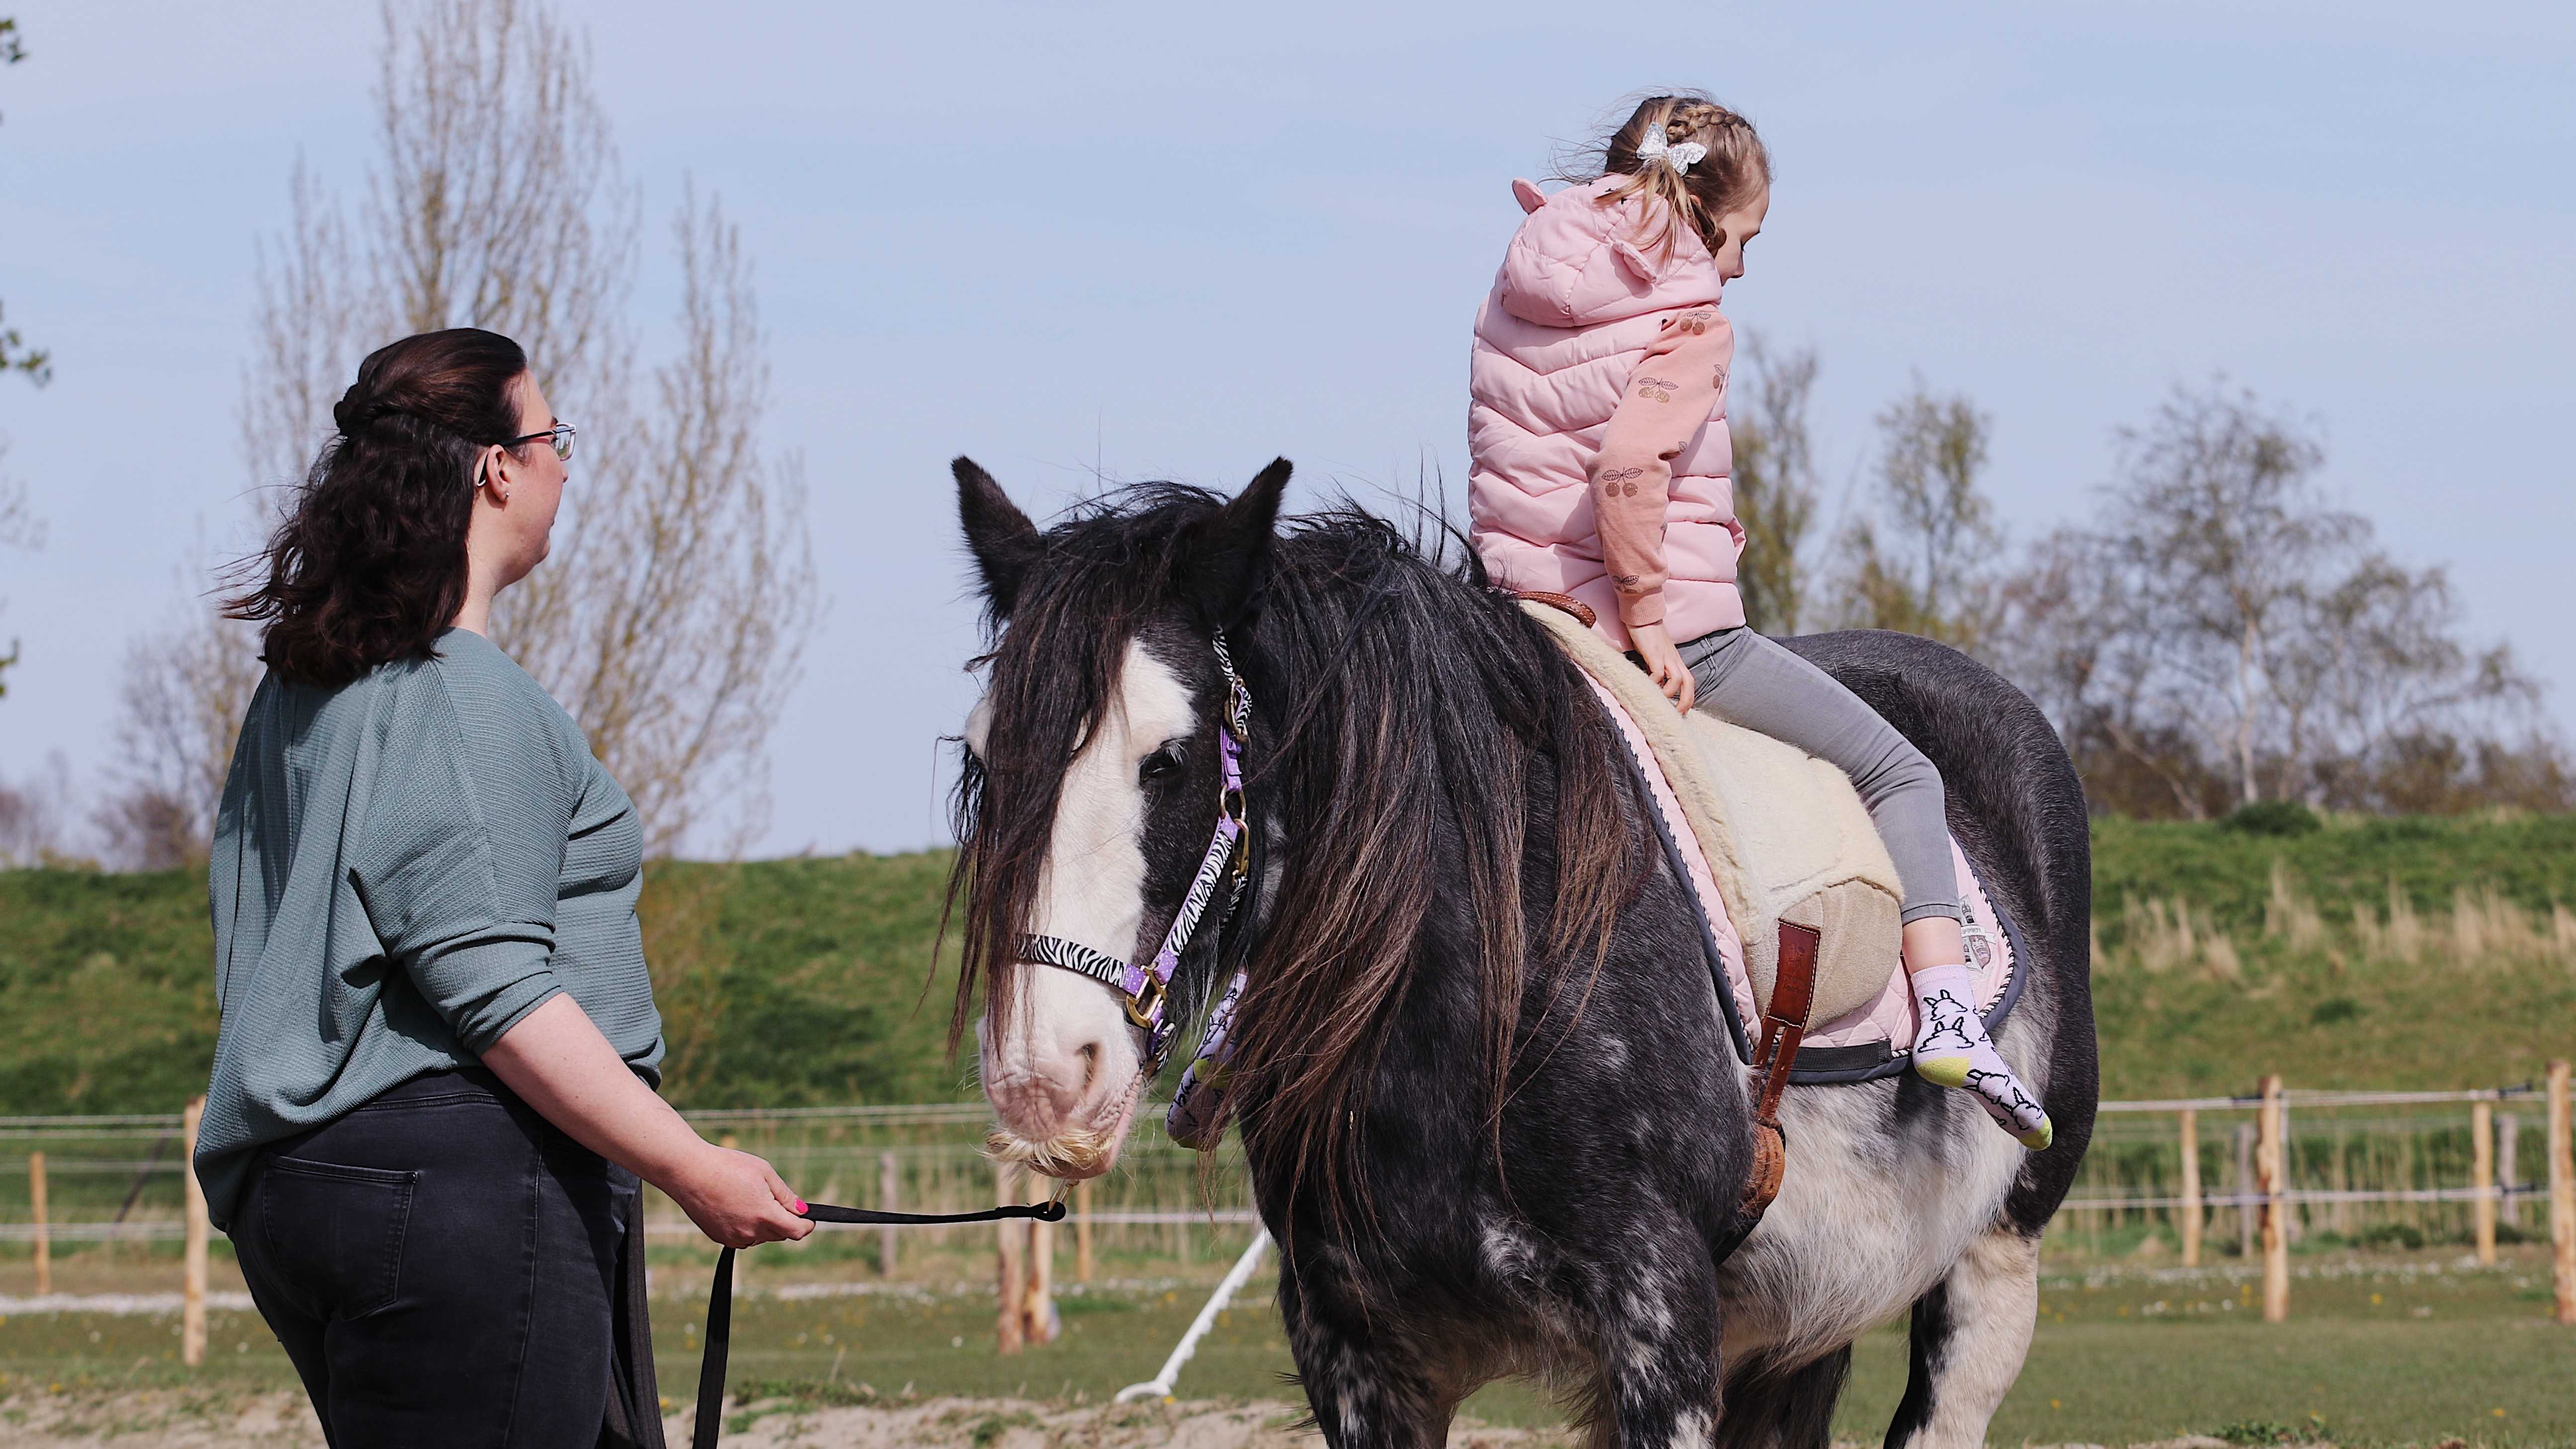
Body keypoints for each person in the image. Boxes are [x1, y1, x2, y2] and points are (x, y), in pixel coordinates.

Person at [198, 327, 813, 1445]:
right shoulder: (459, 691)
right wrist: (691, 1163)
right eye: (552, 438)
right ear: (495, 466)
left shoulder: (303, 693)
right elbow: (491, 983)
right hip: (464, 1182)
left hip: (309, 1188)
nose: (566, 466)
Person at [1468, 94, 2050, 1149]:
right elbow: (1628, 468)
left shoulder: (1524, 278)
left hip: (1515, 627)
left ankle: (1241, 1021)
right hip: (1671, 632)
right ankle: (1953, 1011)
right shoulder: (1687, 317)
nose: (1738, 266)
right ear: (1698, 208)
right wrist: (1649, 622)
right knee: (1905, 770)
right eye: (1743, 237)